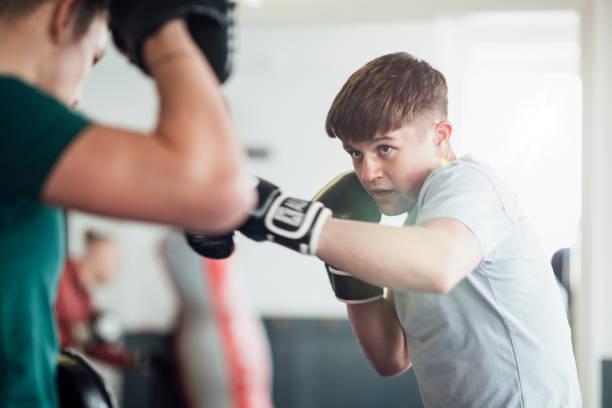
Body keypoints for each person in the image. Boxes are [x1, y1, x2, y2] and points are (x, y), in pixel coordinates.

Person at [187, 52, 581, 407]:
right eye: (355, 153)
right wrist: (341, 259)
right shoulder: (414, 229)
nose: (367, 172)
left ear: (440, 136)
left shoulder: (469, 183)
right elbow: (391, 357)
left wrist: (280, 216)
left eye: (385, 149)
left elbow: (438, 265)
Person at [0, 0, 256, 406]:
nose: (79, 97)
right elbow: (217, 190)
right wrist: (163, 30)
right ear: (64, 16)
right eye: (95, 57)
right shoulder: (9, 110)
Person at [55, 229, 135, 368]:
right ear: (98, 254)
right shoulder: (60, 270)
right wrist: (70, 331)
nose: (118, 268)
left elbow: (92, 346)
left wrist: (133, 359)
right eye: (115, 260)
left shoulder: (87, 302)